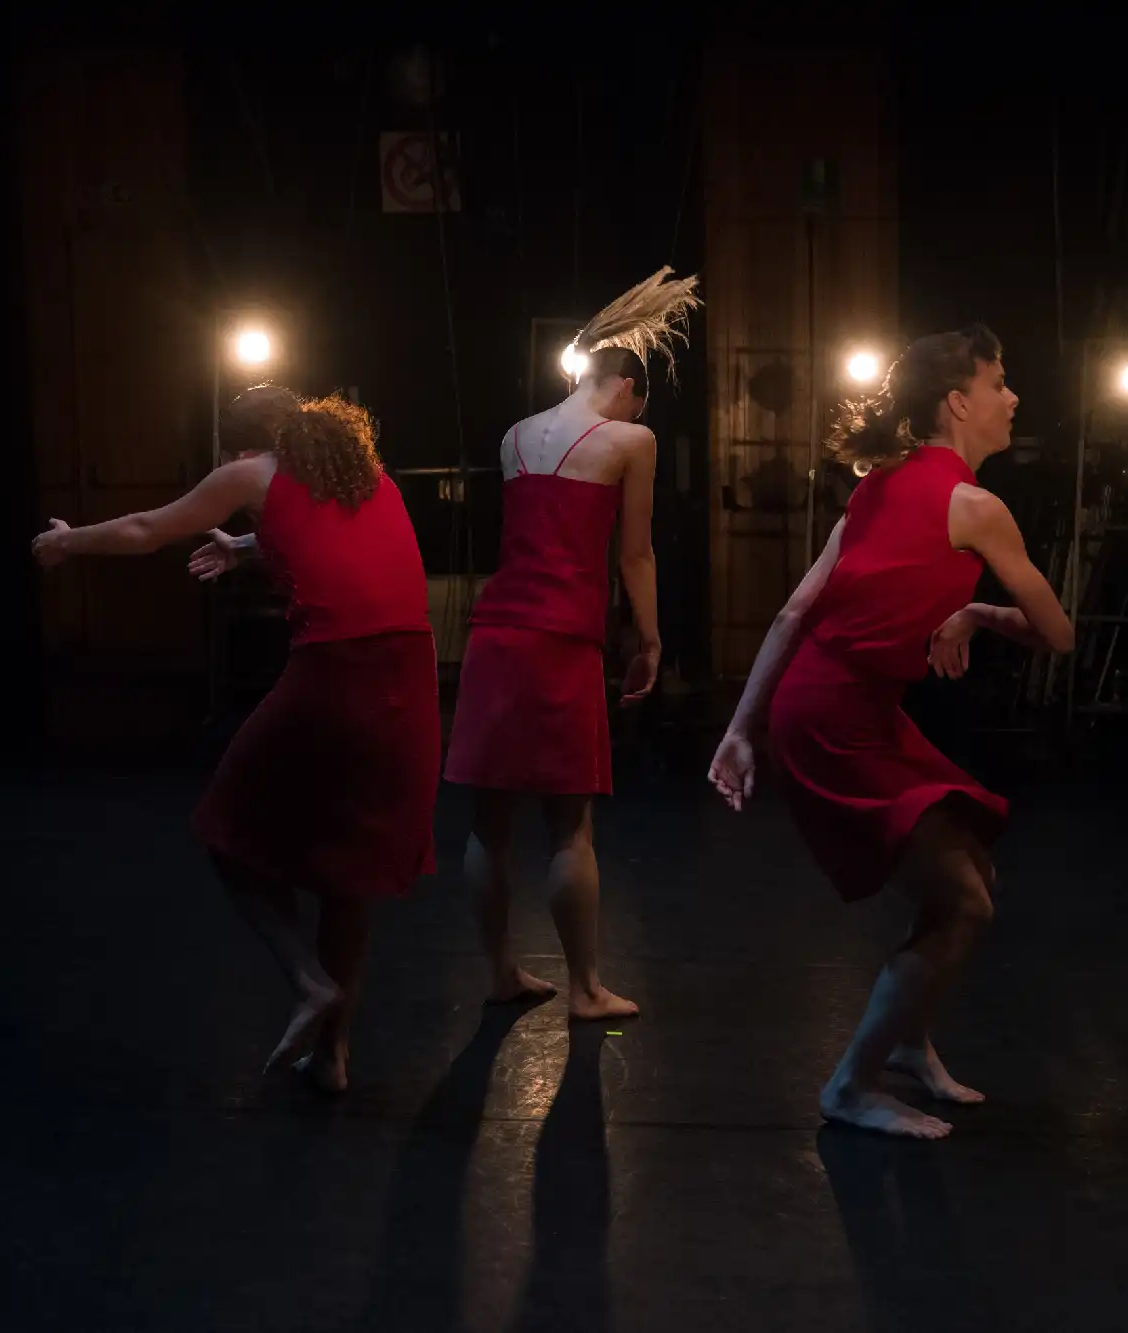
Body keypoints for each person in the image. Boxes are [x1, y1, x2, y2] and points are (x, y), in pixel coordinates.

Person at [707, 327, 1073, 1139]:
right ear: (959, 403)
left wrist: (741, 727)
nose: (1013, 397)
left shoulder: (878, 486)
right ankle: (850, 1085)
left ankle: (908, 1039)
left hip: (841, 706)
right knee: (966, 902)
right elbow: (1058, 633)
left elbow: (793, 611)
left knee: (970, 870)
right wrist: (982, 611)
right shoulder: (977, 508)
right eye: (1001, 382)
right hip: (835, 719)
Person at [32, 387, 439, 1094]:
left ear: (245, 446)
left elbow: (145, 529)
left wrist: (67, 541)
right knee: (350, 874)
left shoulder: (253, 471)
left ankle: (308, 982)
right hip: (411, 677)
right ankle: (334, 1057)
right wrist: (247, 545)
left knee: (225, 830)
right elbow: (328, 535)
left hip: (336, 669)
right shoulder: (365, 473)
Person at [443, 268, 700, 1021]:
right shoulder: (632, 439)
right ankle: (585, 987)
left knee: (489, 821)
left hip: (496, 634)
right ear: (626, 386)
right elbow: (635, 556)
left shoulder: (514, 436)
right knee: (569, 825)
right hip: (562, 638)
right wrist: (649, 639)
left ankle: (500, 973)